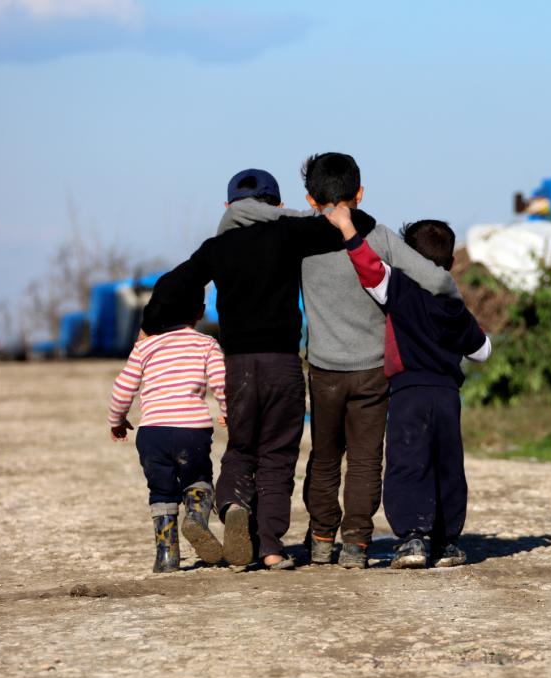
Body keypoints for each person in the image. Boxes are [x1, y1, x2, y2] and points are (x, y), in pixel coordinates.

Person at [225, 154, 463, 569]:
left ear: (308, 198)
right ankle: (356, 544)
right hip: (373, 371)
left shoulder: (299, 234)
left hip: (323, 369)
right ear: (360, 193)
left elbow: (256, 216)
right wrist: (455, 308)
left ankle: (320, 540)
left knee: (325, 456)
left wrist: (243, 213)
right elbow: (438, 280)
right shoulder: (381, 236)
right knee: (367, 459)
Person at [140, 169, 375, 569]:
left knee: (242, 448)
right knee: (278, 455)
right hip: (282, 364)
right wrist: (302, 215)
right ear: (277, 205)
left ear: (229, 207)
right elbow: (358, 223)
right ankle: (269, 547)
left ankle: (233, 504)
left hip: (238, 367)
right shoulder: (288, 233)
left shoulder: (217, 247)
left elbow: (174, 283)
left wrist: (148, 327)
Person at [324, 207, 491, 568]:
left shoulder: (399, 289)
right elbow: (482, 350)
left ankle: (413, 539)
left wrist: (348, 230)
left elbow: (369, 269)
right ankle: (448, 544)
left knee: (408, 462)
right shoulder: (452, 304)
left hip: (407, 392)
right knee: (447, 465)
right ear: (448, 261)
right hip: (447, 395)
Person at [108, 298, 227, 573]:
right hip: (192, 432)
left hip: (152, 435)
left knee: (161, 491)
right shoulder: (206, 343)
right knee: (198, 478)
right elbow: (221, 382)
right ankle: (196, 518)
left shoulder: (145, 346)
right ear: (199, 313)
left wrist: (116, 420)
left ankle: (166, 556)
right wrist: (228, 411)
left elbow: (122, 388)